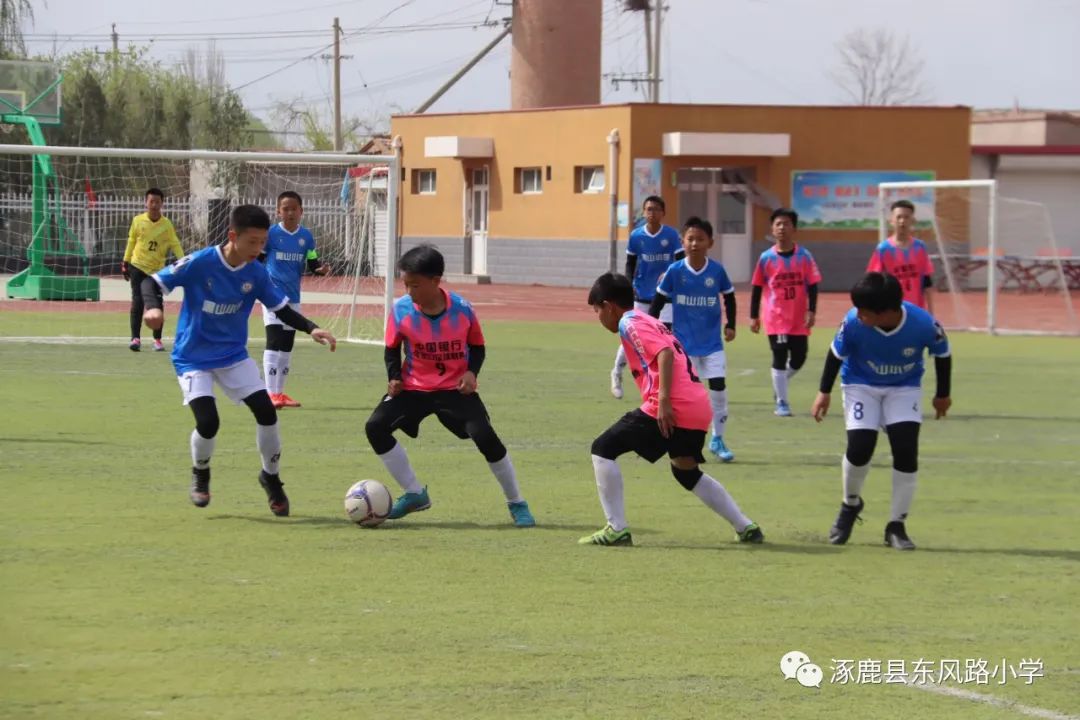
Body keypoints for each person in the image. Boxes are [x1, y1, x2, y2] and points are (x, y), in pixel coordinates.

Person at [142, 205, 336, 516]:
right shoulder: (201, 262)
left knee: (266, 412)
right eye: (253, 242)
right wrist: (152, 308)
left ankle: (270, 478)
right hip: (192, 357)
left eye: (263, 243)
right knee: (208, 422)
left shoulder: (257, 272)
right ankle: (201, 471)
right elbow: (151, 283)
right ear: (233, 236)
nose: (259, 249)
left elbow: (282, 308)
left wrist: (312, 328)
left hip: (233, 356)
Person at [582, 272, 762, 547]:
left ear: (609, 306)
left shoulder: (629, 322)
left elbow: (664, 353)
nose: (598, 318)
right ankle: (745, 526)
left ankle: (616, 528)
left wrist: (664, 400)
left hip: (670, 405)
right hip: (697, 406)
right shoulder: (650, 320)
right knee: (686, 471)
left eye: (597, 311)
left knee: (602, 449)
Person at [364, 245, 536, 527]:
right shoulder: (401, 310)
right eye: (405, 284)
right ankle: (414, 493)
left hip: (455, 390)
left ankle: (517, 502)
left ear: (435, 281)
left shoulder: (462, 310)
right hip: (413, 387)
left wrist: (471, 373)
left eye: (415, 285)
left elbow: (477, 347)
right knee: (375, 427)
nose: (409, 291)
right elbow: (392, 348)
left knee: (485, 437)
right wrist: (394, 376)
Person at [811, 272, 952, 551]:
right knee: (861, 447)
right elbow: (835, 354)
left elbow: (943, 354)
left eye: (864, 310)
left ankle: (896, 525)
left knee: (905, 449)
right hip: (860, 385)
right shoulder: (853, 322)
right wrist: (823, 391)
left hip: (904, 387)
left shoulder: (923, 324)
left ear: (885, 311)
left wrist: (942, 395)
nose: (857, 314)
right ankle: (850, 504)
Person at [650, 217, 738, 462]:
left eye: (700, 239)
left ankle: (718, 439)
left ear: (710, 242)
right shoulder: (675, 271)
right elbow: (658, 302)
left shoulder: (717, 271)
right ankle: (680, 440)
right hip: (683, 346)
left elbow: (729, 297)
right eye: (690, 238)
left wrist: (730, 324)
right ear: (682, 242)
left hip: (712, 345)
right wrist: (650, 329)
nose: (695, 243)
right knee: (684, 396)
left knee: (718, 389)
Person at [260, 191, 330, 409]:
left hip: (294, 298)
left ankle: (279, 393)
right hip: (272, 297)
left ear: (301, 211)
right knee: (274, 341)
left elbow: (312, 261)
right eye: (285, 208)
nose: (290, 212)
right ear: (278, 211)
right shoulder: (270, 234)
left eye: (294, 209)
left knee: (287, 346)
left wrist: (320, 269)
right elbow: (259, 259)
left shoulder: (306, 237)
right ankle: (270, 394)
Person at [749, 208, 822, 417]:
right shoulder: (766, 258)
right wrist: (754, 316)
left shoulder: (804, 256)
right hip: (776, 317)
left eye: (786, 224)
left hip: (798, 318)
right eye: (778, 224)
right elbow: (756, 286)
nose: (782, 228)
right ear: (772, 229)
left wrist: (812, 310)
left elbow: (813, 284)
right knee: (779, 356)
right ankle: (782, 402)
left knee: (800, 357)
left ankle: (779, 381)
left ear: (794, 228)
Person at [610, 195, 684, 400]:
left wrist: (670, 276)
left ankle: (665, 385)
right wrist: (627, 285)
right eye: (649, 209)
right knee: (631, 336)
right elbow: (630, 264)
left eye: (656, 209)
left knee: (666, 339)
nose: (652, 213)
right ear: (644, 212)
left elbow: (680, 262)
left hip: (665, 297)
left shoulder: (671, 235)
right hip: (641, 295)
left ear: (663, 213)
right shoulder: (636, 236)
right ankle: (617, 372)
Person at [122, 188, 184, 352]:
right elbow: (131, 241)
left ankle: (157, 340)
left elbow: (174, 243)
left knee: (157, 304)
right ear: (146, 202)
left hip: (157, 271)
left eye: (157, 202)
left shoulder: (166, 225)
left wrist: (183, 261)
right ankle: (135, 338)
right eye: (151, 201)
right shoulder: (138, 221)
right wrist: (125, 261)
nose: (154, 205)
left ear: (162, 204)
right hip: (138, 266)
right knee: (137, 301)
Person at [867, 199, 935, 313]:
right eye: (898, 217)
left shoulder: (920, 247)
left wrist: (931, 312)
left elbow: (927, 281)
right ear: (891, 220)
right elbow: (873, 281)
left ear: (913, 220)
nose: (902, 221)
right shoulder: (883, 249)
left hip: (917, 308)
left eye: (906, 217)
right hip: (892, 309)